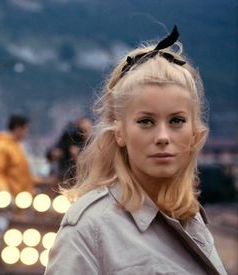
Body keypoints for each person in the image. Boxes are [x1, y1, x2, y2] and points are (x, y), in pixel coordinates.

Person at [45, 26, 227, 274]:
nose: (163, 137)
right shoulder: (90, 229)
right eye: (146, 121)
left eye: (176, 121)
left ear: (195, 133)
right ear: (119, 132)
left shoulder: (191, 218)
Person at [0, 114, 40, 195]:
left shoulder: (17, 146)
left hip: (23, 198)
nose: (27, 133)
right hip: (11, 200)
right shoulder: (2, 146)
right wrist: (3, 191)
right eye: (26, 129)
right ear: (18, 128)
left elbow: (22, 175)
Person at [47, 116, 93, 182]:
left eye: (86, 129)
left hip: (84, 179)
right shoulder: (68, 139)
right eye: (80, 129)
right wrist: (54, 154)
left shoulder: (94, 144)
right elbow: (50, 154)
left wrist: (77, 156)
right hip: (64, 176)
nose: (82, 132)